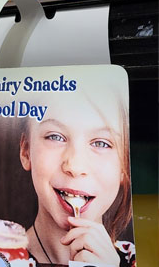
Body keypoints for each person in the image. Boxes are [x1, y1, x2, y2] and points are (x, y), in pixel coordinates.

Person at [19, 88, 134, 266]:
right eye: (55, 137)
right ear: (26, 151)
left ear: (125, 164)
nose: (75, 166)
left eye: (101, 143)